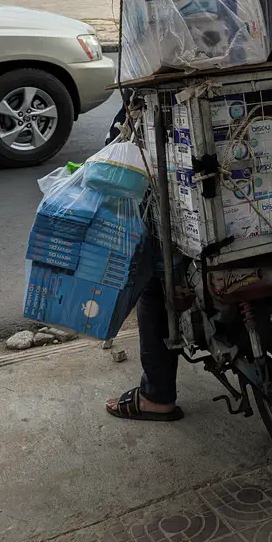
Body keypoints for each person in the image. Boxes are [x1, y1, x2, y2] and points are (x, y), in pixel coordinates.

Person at [103, 102, 184, 423]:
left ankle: (157, 395)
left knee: (154, 286)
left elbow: (114, 154)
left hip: (185, 226)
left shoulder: (149, 96)